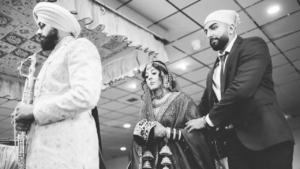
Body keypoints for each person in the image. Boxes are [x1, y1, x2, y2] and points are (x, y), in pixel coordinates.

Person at [185, 10, 294, 169]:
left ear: (231, 28)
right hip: (235, 145)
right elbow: (203, 106)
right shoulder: (213, 71)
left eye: (214, 27)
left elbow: (241, 89)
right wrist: (174, 112)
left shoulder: (253, 45)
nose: (209, 34)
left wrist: (206, 121)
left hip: (267, 137)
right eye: (206, 31)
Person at [11, 2, 102, 169]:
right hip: (43, 159)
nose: (38, 32)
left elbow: (85, 96)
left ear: (57, 25)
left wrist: (34, 111)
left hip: (69, 159)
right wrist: (25, 119)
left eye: (42, 25)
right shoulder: (50, 61)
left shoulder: (79, 46)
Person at [129, 61, 215, 169]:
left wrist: (167, 132)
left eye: (154, 73)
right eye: (146, 76)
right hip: (151, 161)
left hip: (176, 160)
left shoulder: (181, 99)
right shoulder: (145, 108)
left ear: (164, 76)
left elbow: (198, 134)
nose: (149, 78)